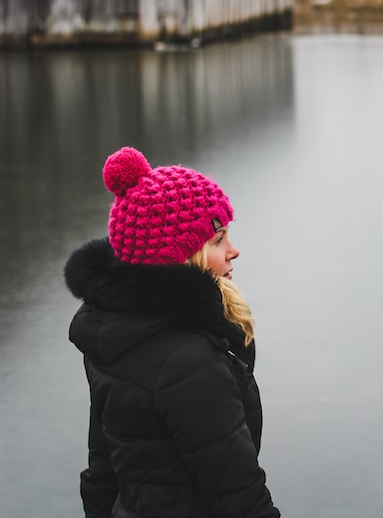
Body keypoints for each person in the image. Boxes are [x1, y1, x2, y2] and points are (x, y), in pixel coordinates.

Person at [64, 146, 281, 518]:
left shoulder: (114, 336)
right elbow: (240, 498)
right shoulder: (190, 363)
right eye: (217, 240)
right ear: (179, 256)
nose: (234, 251)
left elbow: (104, 468)